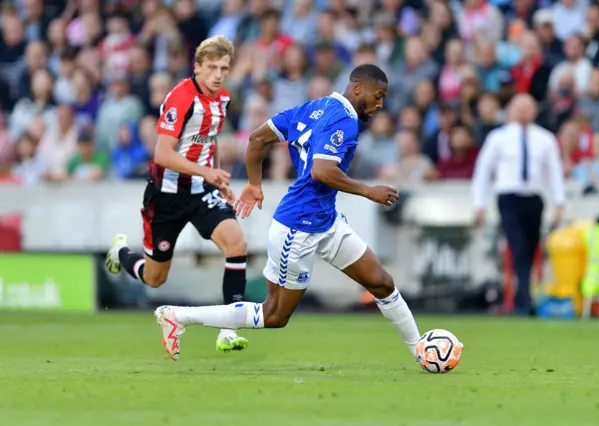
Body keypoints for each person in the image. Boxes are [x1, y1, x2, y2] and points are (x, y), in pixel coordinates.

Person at [154, 64, 422, 362]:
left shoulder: (312, 107)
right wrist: (368, 191)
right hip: (298, 227)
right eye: (378, 95)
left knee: (381, 282)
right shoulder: (344, 120)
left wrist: (255, 184)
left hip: (326, 220)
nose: (380, 104)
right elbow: (322, 172)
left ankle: (420, 350)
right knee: (274, 314)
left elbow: (257, 139)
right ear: (358, 88)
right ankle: (178, 316)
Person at [104, 36, 250, 353]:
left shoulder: (222, 99)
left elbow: (209, 142)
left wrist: (218, 179)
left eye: (224, 68)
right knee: (156, 278)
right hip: (166, 196)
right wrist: (207, 172)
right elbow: (162, 154)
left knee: (236, 242)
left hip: (200, 191)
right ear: (197, 67)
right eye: (211, 67)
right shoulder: (181, 98)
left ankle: (229, 328)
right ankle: (122, 255)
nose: (218, 74)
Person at [471, 93, 565, 316]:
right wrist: (479, 204)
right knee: (518, 244)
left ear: (534, 111)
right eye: (519, 107)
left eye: (527, 107)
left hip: (533, 198)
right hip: (509, 198)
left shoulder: (545, 139)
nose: (523, 112)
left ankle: (524, 294)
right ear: (511, 110)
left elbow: (554, 173)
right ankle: (524, 298)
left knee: (531, 247)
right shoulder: (498, 137)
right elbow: (483, 171)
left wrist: (559, 202)